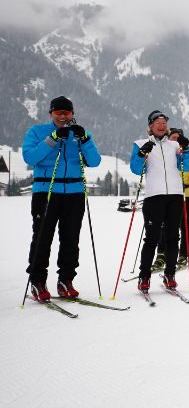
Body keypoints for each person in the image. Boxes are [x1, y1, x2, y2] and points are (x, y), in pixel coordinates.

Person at [23, 96, 102, 301]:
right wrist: (53, 138)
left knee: (70, 239)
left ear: (72, 114)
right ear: (51, 114)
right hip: (46, 190)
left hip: (75, 192)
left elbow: (94, 161)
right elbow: (30, 157)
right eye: (58, 112)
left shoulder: (80, 134)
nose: (62, 116)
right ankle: (38, 281)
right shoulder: (37, 132)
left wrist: (84, 140)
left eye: (66, 112)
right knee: (42, 237)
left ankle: (65, 279)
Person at [130, 111, 189, 292]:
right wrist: (142, 154)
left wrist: (186, 150)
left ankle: (170, 275)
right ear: (150, 126)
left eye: (164, 122)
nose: (161, 125)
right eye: (157, 122)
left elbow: (185, 167)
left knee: (174, 237)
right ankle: (144, 277)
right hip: (154, 197)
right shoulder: (141, 144)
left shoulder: (174, 146)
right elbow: (136, 169)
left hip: (174, 195)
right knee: (152, 238)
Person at [155, 127, 189, 270]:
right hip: (168, 192)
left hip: (187, 193)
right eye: (173, 137)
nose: (176, 140)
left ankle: (183, 255)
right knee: (165, 225)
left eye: (178, 138)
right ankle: (161, 255)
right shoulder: (165, 152)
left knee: (184, 225)